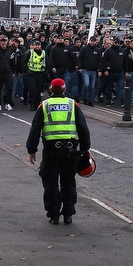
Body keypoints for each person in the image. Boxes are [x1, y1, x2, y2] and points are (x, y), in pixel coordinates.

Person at [27, 79, 91, 226]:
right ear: (64, 90)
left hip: (51, 150)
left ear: (51, 90)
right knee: (68, 182)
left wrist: (32, 150)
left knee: (50, 183)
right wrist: (85, 148)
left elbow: (35, 128)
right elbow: (83, 127)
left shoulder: (44, 105)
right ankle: (68, 214)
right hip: (70, 150)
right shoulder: (72, 104)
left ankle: (53, 215)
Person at [24, 39, 48, 111]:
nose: (37, 46)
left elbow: (47, 63)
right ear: (33, 46)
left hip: (40, 74)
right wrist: (27, 71)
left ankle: (37, 104)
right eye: (36, 45)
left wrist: (46, 72)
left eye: (39, 45)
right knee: (32, 89)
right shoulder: (29, 53)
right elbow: (24, 63)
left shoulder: (44, 53)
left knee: (39, 90)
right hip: (31, 74)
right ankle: (32, 104)